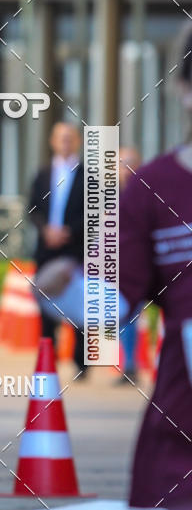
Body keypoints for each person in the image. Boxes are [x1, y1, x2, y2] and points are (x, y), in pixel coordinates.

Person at [120, 23, 192, 510]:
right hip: (184, 420)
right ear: (182, 88)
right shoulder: (151, 188)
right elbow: (115, 301)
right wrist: (63, 296)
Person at [28, 122, 86, 377]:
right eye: (61, 138)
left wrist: (68, 232)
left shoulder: (88, 176)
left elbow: (93, 213)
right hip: (46, 247)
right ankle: (48, 358)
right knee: (45, 302)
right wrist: (46, 230)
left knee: (78, 303)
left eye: (70, 138)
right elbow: (31, 208)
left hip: (76, 248)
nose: (65, 142)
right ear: (53, 141)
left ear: (77, 142)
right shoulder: (42, 174)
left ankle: (81, 362)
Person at [115, 146, 142, 385]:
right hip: (120, 267)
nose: (126, 169)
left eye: (130, 163)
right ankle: (130, 364)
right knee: (125, 316)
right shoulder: (108, 197)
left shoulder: (148, 194)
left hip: (142, 267)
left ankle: (132, 365)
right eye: (122, 163)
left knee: (132, 315)